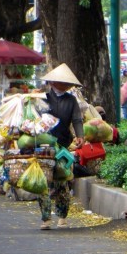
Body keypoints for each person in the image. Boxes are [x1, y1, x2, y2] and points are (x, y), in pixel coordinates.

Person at [38, 63, 84, 230]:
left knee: (63, 181)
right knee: (44, 182)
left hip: (63, 144)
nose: (66, 86)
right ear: (52, 83)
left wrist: (80, 136)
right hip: (43, 146)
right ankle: (45, 219)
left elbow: (77, 119)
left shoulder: (71, 100)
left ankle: (62, 216)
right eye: (63, 83)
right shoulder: (42, 98)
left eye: (67, 84)